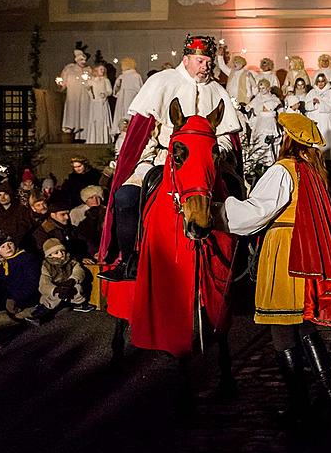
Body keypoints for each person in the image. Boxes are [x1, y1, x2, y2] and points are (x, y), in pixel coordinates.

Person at [220, 113, 331, 420]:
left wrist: (221, 208)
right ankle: (327, 393)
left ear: (288, 140)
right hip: (305, 254)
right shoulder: (313, 171)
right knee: (304, 326)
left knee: (281, 328)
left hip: (286, 252)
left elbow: (257, 211)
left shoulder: (283, 171)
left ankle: (299, 403)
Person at [98, 34, 243, 281]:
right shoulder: (161, 82)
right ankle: (129, 260)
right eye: (199, 60)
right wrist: (146, 158)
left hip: (204, 164)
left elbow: (227, 136)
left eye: (208, 62)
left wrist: (215, 150)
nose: (205, 66)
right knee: (126, 197)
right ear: (186, 60)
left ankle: (238, 261)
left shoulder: (217, 90)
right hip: (162, 157)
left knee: (234, 194)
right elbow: (143, 133)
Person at [31, 238, 96, 323]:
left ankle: (79, 303)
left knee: (78, 287)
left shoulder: (71, 261)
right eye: (56, 253)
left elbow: (79, 271)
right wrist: (55, 289)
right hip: (57, 288)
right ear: (50, 255)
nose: (61, 254)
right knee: (55, 295)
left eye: (62, 251)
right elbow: (44, 283)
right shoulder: (47, 266)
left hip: (70, 284)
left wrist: (72, 280)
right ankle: (44, 310)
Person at [0, 230, 41, 317]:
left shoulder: (25, 258)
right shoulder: (0, 266)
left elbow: (32, 282)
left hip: (26, 297)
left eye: (10, 243)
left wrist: (16, 298)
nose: (8, 248)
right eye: (3, 246)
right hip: (12, 299)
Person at [304, 73, 331, 162]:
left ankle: (327, 158)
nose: (320, 84)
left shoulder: (330, 92)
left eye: (322, 81)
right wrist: (313, 102)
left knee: (324, 137)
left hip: (325, 119)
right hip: (314, 118)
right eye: (318, 82)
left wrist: (321, 103)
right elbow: (306, 105)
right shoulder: (312, 92)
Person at [248, 78, 283, 163]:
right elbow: (251, 105)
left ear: (268, 88)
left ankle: (270, 160)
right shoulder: (258, 98)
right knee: (259, 140)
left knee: (269, 140)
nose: (261, 90)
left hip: (269, 122)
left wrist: (266, 107)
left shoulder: (273, 99)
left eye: (263, 88)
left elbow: (273, 106)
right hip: (260, 122)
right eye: (260, 88)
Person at [59, 49, 92, 139]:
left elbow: (91, 83)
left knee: (84, 112)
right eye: (81, 60)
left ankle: (84, 134)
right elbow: (62, 84)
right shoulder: (69, 69)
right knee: (72, 112)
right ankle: (71, 133)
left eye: (84, 60)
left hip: (84, 96)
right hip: (73, 96)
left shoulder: (88, 70)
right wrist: (60, 83)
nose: (83, 62)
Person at [112, 57, 143, 135]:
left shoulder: (130, 76)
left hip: (127, 97)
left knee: (126, 112)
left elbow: (116, 91)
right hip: (129, 97)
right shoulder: (128, 76)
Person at [85, 65, 113, 144]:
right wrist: (89, 90)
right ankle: (93, 139)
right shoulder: (91, 81)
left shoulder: (106, 80)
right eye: (101, 69)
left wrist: (105, 94)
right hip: (95, 104)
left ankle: (104, 140)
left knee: (103, 120)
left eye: (103, 69)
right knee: (94, 120)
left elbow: (109, 91)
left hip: (103, 103)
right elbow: (89, 91)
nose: (102, 71)